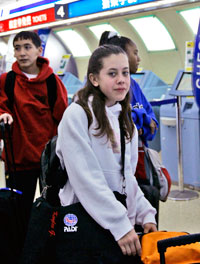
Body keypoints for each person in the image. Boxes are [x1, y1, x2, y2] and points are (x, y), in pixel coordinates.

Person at [56, 44, 157, 264]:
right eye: (112, 73)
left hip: (117, 227)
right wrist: (119, 224)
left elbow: (126, 177)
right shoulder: (77, 115)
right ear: (94, 79)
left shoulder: (124, 117)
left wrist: (144, 213)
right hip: (85, 228)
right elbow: (86, 179)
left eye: (125, 72)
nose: (121, 79)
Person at [0, 31, 68, 234]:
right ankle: (20, 250)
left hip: (48, 159)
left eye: (27, 47)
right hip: (18, 158)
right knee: (18, 210)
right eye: (17, 48)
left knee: (53, 207)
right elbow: (1, 105)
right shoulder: (7, 81)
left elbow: (64, 117)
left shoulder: (52, 82)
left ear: (39, 50)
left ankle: (48, 246)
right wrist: (4, 114)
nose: (22, 53)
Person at [99, 31, 158, 146]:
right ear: (121, 55)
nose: (139, 59)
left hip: (138, 153)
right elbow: (112, 122)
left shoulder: (134, 85)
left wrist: (140, 126)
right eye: (135, 53)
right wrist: (139, 118)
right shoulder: (105, 87)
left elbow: (152, 125)